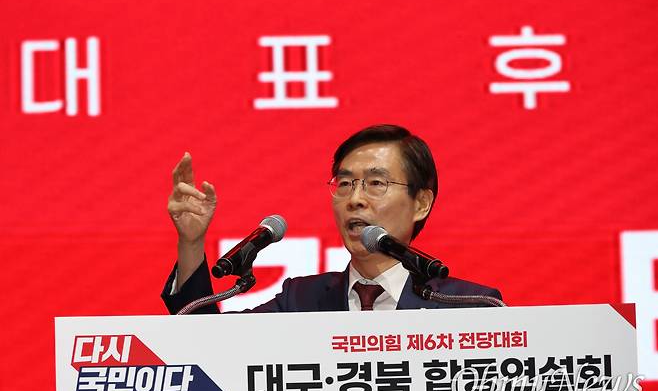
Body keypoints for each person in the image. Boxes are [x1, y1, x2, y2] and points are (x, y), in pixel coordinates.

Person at [161, 124, 502, 314]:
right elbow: (207, 350)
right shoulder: (301, 301)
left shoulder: (468, 306)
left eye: (376, 183)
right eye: (345, 184)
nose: (355, 199)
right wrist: (191, 243)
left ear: (421, 203)